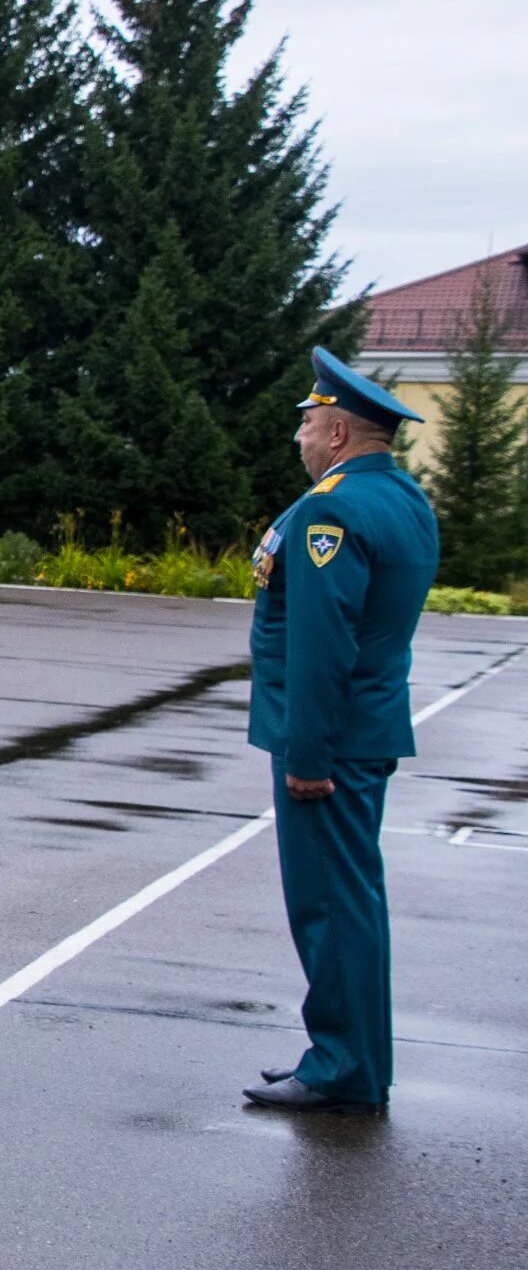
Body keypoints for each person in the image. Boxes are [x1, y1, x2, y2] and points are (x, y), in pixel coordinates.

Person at [241, 347, 441, 1115]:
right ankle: (351, 1055)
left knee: (329, 905)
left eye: (307, 425)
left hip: (332, 740)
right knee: (351, 900)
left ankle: (342, 1066)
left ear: (338, 433)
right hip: (370, 727)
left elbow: (324, 643)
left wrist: (307, 753)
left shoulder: (331, 509)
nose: (298, 439)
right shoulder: (405, 499)